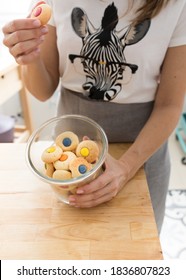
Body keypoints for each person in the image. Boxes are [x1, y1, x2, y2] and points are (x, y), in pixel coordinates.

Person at [2, 0, 186, 233]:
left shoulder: (177, 5)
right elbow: (43, 90)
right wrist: (30, 57)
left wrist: (126, 168)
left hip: (142, 155)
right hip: (70, 153)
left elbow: (170, 105)